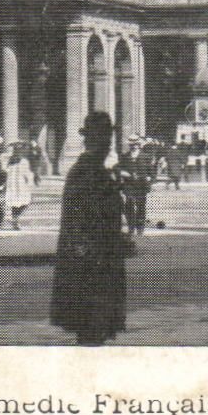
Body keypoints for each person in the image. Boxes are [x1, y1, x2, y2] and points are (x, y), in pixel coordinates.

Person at [50, 111, 129, 346]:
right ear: (95, 140)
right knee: (91, 324)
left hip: (98, 255)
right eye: (104, 139)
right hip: (91, 259)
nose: (107, 145)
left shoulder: (95, 170)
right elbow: (79, 217)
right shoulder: (87, 170)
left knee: (95, 326)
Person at [117, 138, 152, 236]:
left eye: (136, 144)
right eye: (132, 144)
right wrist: (124, 174)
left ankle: (140, 227)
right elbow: (119, 169)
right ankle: (131, 227)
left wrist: (148, 178)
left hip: (141, 185)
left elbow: (151, 171)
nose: (134, 146)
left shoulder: (146, 156)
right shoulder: (125, 156)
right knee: (129, 204)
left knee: (141, 206)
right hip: (129, 185)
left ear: (139, 145)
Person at [4, 142, 35, 229]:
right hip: (21, 184)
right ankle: (15, 219)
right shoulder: (23, 161)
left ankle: (15, 219)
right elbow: (27, 173)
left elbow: (6, 171)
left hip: (12, 184)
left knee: (15, 203)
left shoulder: (10, 161)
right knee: (25, 201)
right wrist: (30, 181)